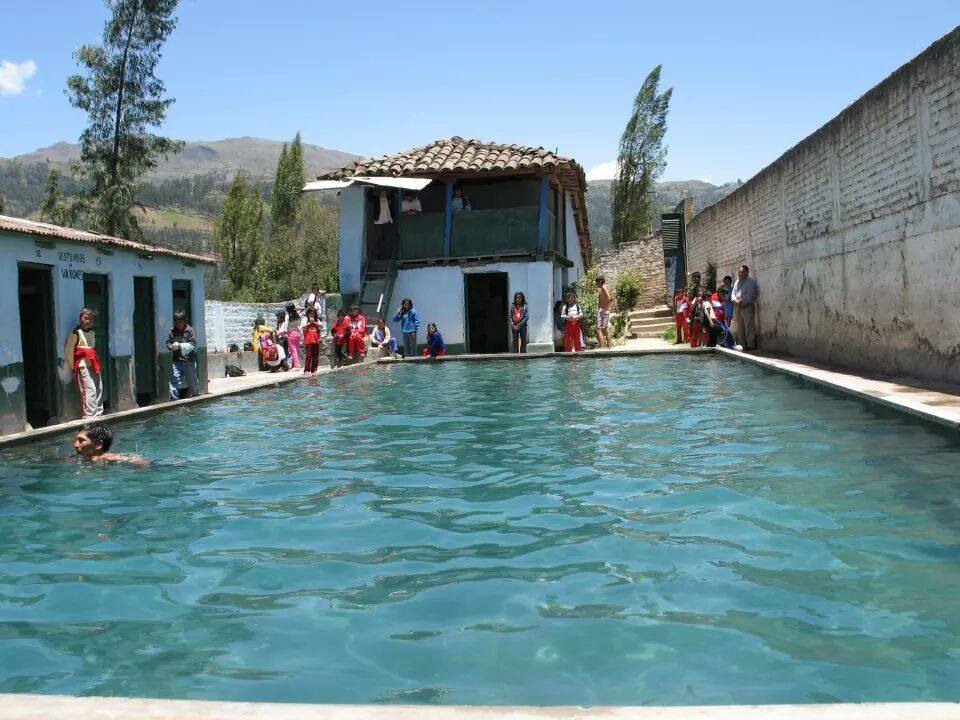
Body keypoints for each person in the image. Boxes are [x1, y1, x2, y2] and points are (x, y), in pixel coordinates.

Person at [65, 307, 103, 419]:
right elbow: (69, 350)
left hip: (93, 364)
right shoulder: (76, 334)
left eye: (91, 319)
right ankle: (90, 414)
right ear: (80, 318)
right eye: (85, 318)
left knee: (99, 386)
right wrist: (73, 366)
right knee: (89, 388)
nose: (88, 321)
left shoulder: (92, 333)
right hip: (83, 365)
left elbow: (92, 348)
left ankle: (98, 412)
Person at [73, 422, 150, 468]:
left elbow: (147, 464)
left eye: (81, 440)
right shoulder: (77, 458)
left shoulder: (112, 459)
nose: (75, 445)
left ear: (98, 444)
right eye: (76, 440)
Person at [167, 311, 199, 400]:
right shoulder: (172, 331)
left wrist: (179, 345)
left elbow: (193, 343)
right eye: (176, 322)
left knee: (192, 381)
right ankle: (174, 399)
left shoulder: (190, 331)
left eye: (180, 322)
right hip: (176, 360)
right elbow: (168, 342)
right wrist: (170, 346)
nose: (178, 324)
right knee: (174, 380)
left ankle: (195, 396)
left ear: (185, 321)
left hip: (189, 360)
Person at [731, 264, 759, 350]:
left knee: (749, 326)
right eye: (739, 272)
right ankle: (742, 344)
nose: (740, 274)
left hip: (747, 306)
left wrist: (742, 302)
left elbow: (751, 296)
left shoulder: (751, 282)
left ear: (747, 272)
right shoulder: (736, 282)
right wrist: (735, 300)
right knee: (740, 327)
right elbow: (733, 294)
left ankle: (751, 345)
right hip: (738, 307)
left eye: (742, 272)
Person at [302, 307, 323, 374]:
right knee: (308, 355)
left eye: (313, 314)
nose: (312, 316)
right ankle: (307, 370)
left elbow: (321, 327)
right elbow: (302, 327)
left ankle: (314, 369)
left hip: (316, 340)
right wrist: (309, 323)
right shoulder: (305, 319)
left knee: (315, 356)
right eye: (310, 314)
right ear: (308, 314)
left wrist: (314, 322)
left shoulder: (317, 320)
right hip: (308, 341)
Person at [595, 275, 614, 349]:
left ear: (600, 281)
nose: (596, 284)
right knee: (605, 329)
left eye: (596, 283)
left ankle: (602, 348)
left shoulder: (603, 287)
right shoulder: (604, 287)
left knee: (599, 329)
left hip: (603, 311)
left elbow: (609, 298)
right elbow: (612, 299)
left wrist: (606, 309)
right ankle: (609, 346)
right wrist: (609, 309)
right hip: (604, 311)